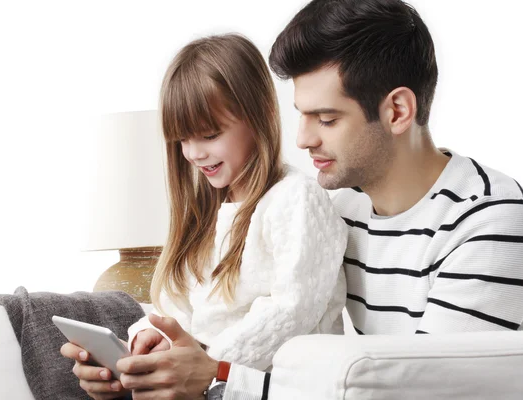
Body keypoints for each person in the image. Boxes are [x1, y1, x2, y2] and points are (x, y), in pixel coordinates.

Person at [72, 1, 523, 398]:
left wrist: (217, 376)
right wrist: (158, 361)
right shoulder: (343, 208)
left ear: (397, 110)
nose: (301, 140)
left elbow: (420, 392)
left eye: (326, 119)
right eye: (301, 115)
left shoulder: (491, 221)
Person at [60, 33, 347, 400]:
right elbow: (178, 310)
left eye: (210, 135)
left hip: (272, 387)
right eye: (182, 140)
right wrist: (151, 339)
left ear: (261, 117)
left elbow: (291, 313)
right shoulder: (209, 213)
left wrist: (204, 364)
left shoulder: (297, 199)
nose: (193, 153)